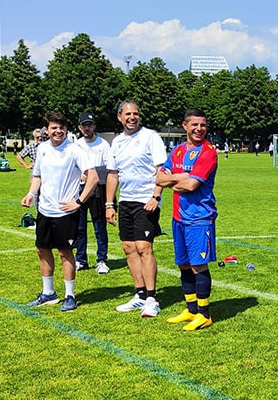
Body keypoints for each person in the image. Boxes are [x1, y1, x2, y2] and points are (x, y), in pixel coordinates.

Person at [20, 113, 103, 312]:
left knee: (65, 253)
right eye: (54, 128)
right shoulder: (42, 149)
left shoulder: (75, 150)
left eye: (61, 128)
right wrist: (31, 193)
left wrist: (79, 202)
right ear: (46, 130)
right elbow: (37, 175)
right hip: (44, 210)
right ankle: (48, 293)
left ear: (66, 129)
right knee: (42, 249)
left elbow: (93, 177)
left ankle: (70, 295)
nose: (58, 131)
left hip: (65, 212)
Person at [156, 109, 219, 331]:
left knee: (198, 265)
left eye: (203, 125)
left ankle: (204, 314)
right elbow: (159, 178)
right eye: (194, 125)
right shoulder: (178, 151)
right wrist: (181, 177)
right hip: (178, 217)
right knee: (183, 264)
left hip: (199, 217)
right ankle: (191, 309)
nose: (199, 129)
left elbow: (192, 185)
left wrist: (174, 180)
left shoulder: (208, 152)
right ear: (185, 126)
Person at [106, 100, 166, 317]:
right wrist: (109, 204)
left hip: (146, 201)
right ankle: (140, 295)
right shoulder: (118, 142)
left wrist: (155, 196)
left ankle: (152, 298)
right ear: (119, 117)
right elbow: (113, 174)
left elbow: (162, 170)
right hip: (125, 202)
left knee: (144, 247)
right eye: (128, 114)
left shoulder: (151, 137)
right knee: (128, 248)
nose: (132, 117)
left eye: (136, 114)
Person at [73, 113, 114, 274]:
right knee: (80, 227)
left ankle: (102, 260)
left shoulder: (103, 145)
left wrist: (90, 174)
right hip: (80, 190)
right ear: (79, 127)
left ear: (94, 126)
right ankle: (81, 259)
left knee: (99, 227)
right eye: (84, 125)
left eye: (89, 125)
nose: (87, 128)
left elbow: (108, 168)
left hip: (98, 190)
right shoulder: (76, 145)